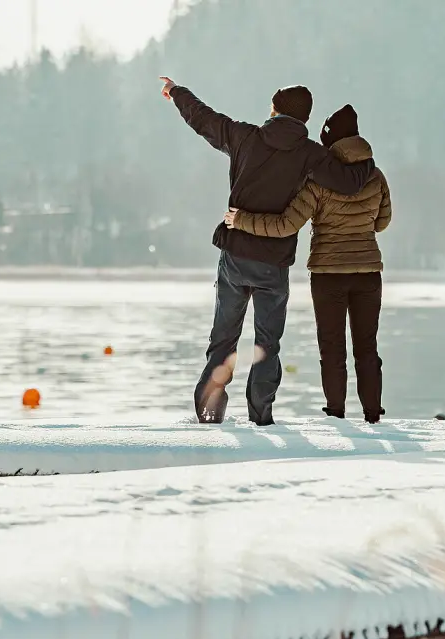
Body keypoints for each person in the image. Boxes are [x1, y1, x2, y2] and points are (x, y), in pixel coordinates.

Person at [159, 77, 374, 426]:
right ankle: (261, 417)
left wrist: (176, 92)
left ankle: (210, 412)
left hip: (235, 255)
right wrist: (367, 162)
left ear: (275, 110)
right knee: (266, 343)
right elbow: (349, 183)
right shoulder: (311, 155)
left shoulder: (244, 136)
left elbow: (202, 118)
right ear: (304, 120)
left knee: (224, 338)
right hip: (273, 265)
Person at [224, 104, 391, 423]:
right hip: (368, 273)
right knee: (367, 347)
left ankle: (337, 412)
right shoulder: (375, 175)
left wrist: (242, 220)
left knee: (332, 347)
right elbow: (382, 222)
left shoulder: (318, 179)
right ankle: (372, 413)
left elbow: (286, 224)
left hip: (328, 275)